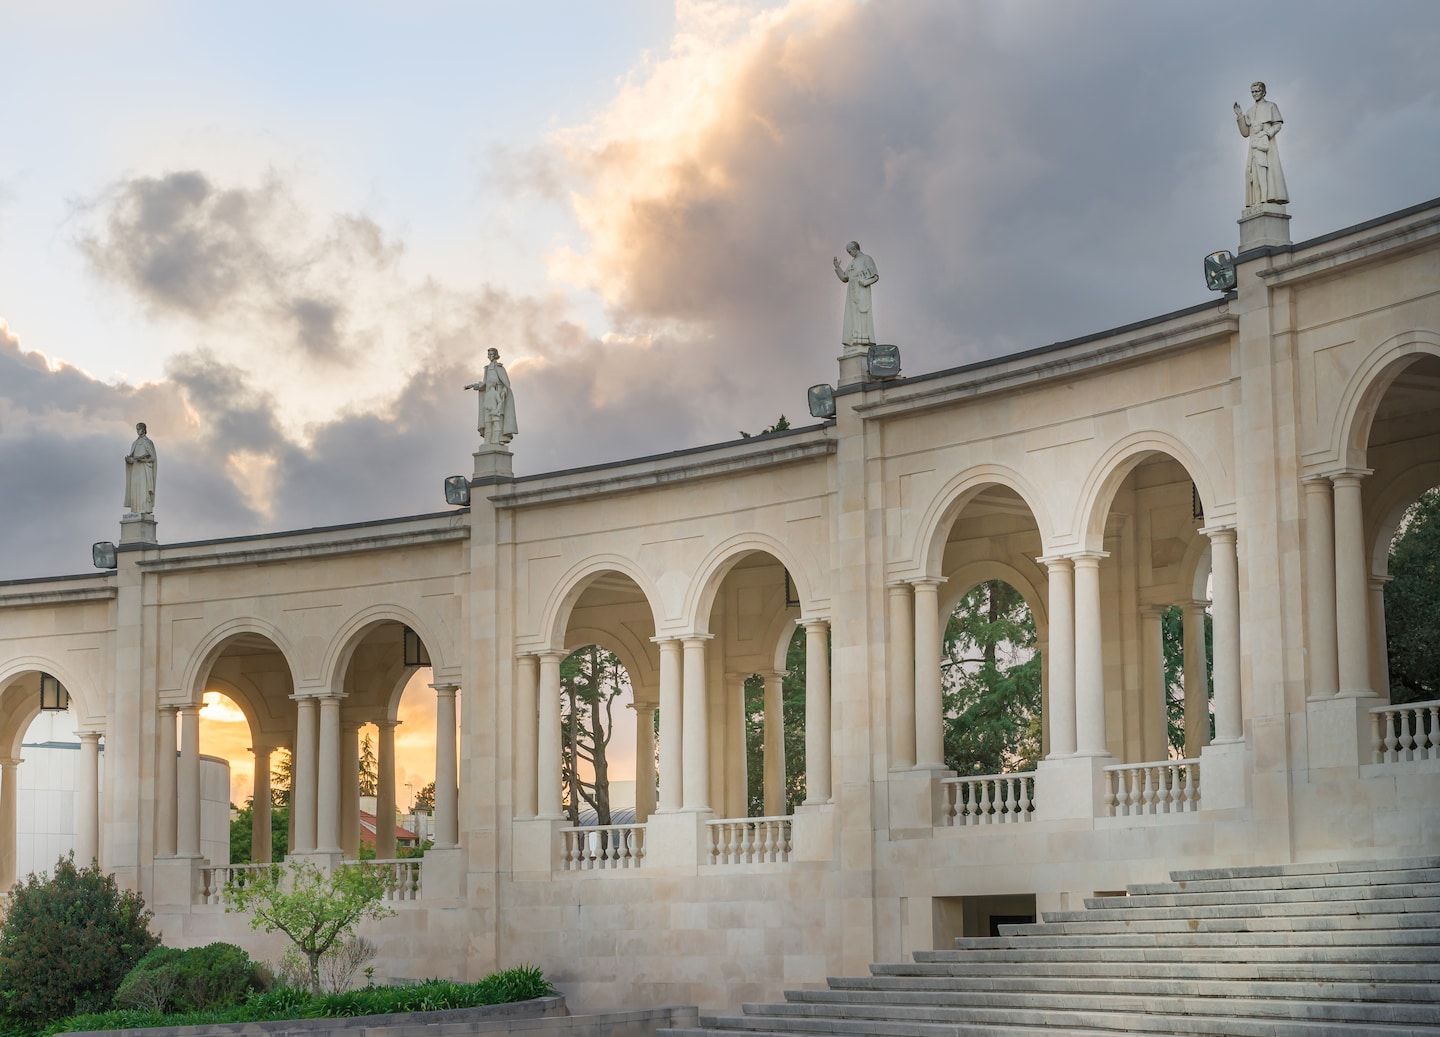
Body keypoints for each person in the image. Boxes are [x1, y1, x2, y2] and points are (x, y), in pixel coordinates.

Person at [1234, 82, 1288, 209]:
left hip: (1268, 145)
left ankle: (1268, 197)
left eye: (1257, 91)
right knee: (1255, 177)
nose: (1254, 94)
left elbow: (1277, 124)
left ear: (1263, 92)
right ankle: (1258, 200)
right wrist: (1240, 116)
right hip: (1253, 149)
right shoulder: (1250, 111)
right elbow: (1246, 132)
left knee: (1270, 174)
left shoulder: (1271, 106)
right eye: (1252, 92)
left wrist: (1267, 133)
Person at [466, 348, 518, 446]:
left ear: (496, 355)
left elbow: (506, 383)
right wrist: (474, 386)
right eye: (489, 354)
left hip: (498, 391)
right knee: (489, 420)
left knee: (498, 417)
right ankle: (489, 441)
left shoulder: (499, 368)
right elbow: (484, 383)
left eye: (492, 354)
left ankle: (499, 439)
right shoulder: (487, 368)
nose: (490, 356)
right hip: (489, 392)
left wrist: (504, 390)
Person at [832, 241, 879, 348]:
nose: (849, 254)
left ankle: (863, 341)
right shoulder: (852, 263)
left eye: (850, 251)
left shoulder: (866, 259)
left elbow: (875, 276)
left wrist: (865, 282)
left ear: (855, 248)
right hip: (851, 292)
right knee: (853, 316)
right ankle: (853, 340)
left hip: (862, 290)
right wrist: (837, 267)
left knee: (862, 313)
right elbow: (845, 277)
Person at [123, 422, 157, 516]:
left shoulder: (148, 442)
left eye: (139, 429)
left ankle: (144, 509)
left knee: (143, 489)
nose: (138, 431)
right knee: (135, 489)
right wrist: (129, 460)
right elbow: (132, 457)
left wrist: (142, 459)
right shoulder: (134, 443)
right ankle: (135, 509)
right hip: (135, 469)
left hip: (144, 469)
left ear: (144, 429)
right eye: (137, 429)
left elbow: (152, 458)